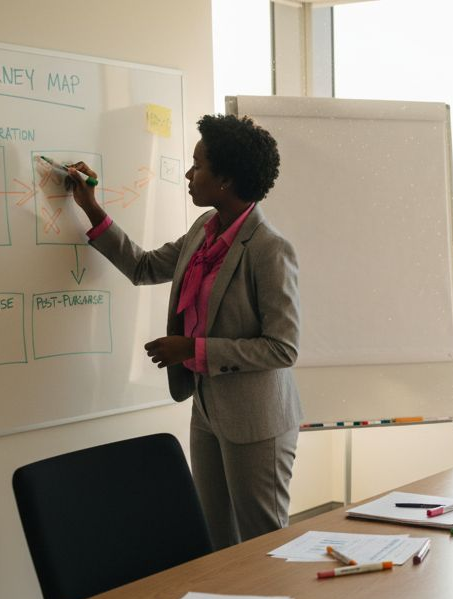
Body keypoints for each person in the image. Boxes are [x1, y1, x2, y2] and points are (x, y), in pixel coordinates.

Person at [65, 114, 302, 549]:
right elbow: (143, 266)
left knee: (263, 547)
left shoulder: (269, 249)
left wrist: (193, 349)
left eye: (198, 166)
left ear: (226, 179)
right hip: (208, 407)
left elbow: (282, 348)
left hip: (255, 418)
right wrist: (91, 207)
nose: (190, 175)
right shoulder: (203, 230)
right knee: (216, 542)